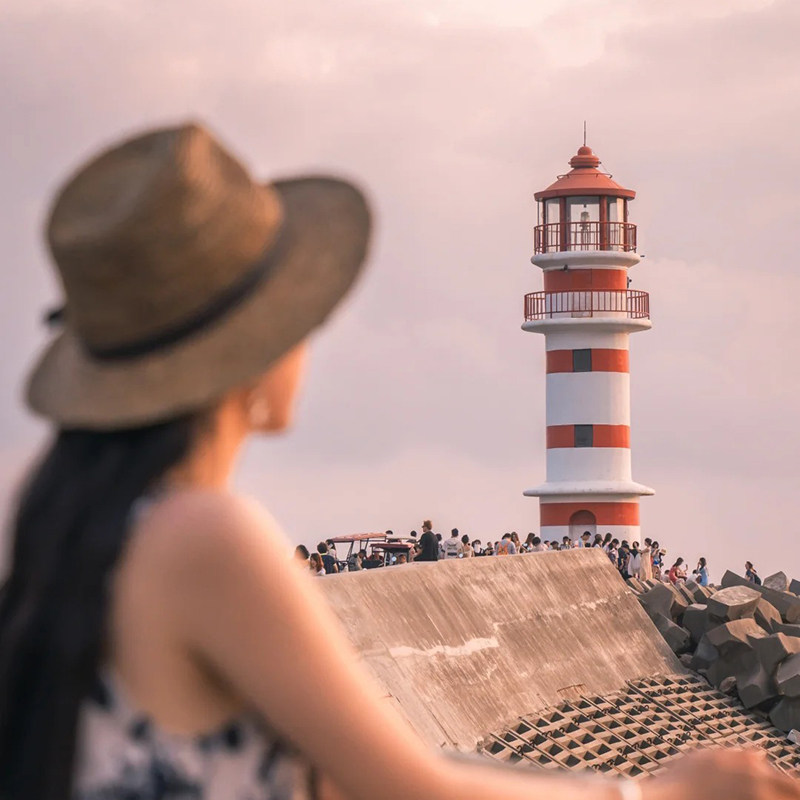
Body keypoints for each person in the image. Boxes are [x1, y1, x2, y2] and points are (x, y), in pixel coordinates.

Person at [4, 122, 784, 800]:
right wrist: (652, 792)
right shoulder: (206, 536)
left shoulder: (41, 511)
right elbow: (405, 785)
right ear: (250, 343)